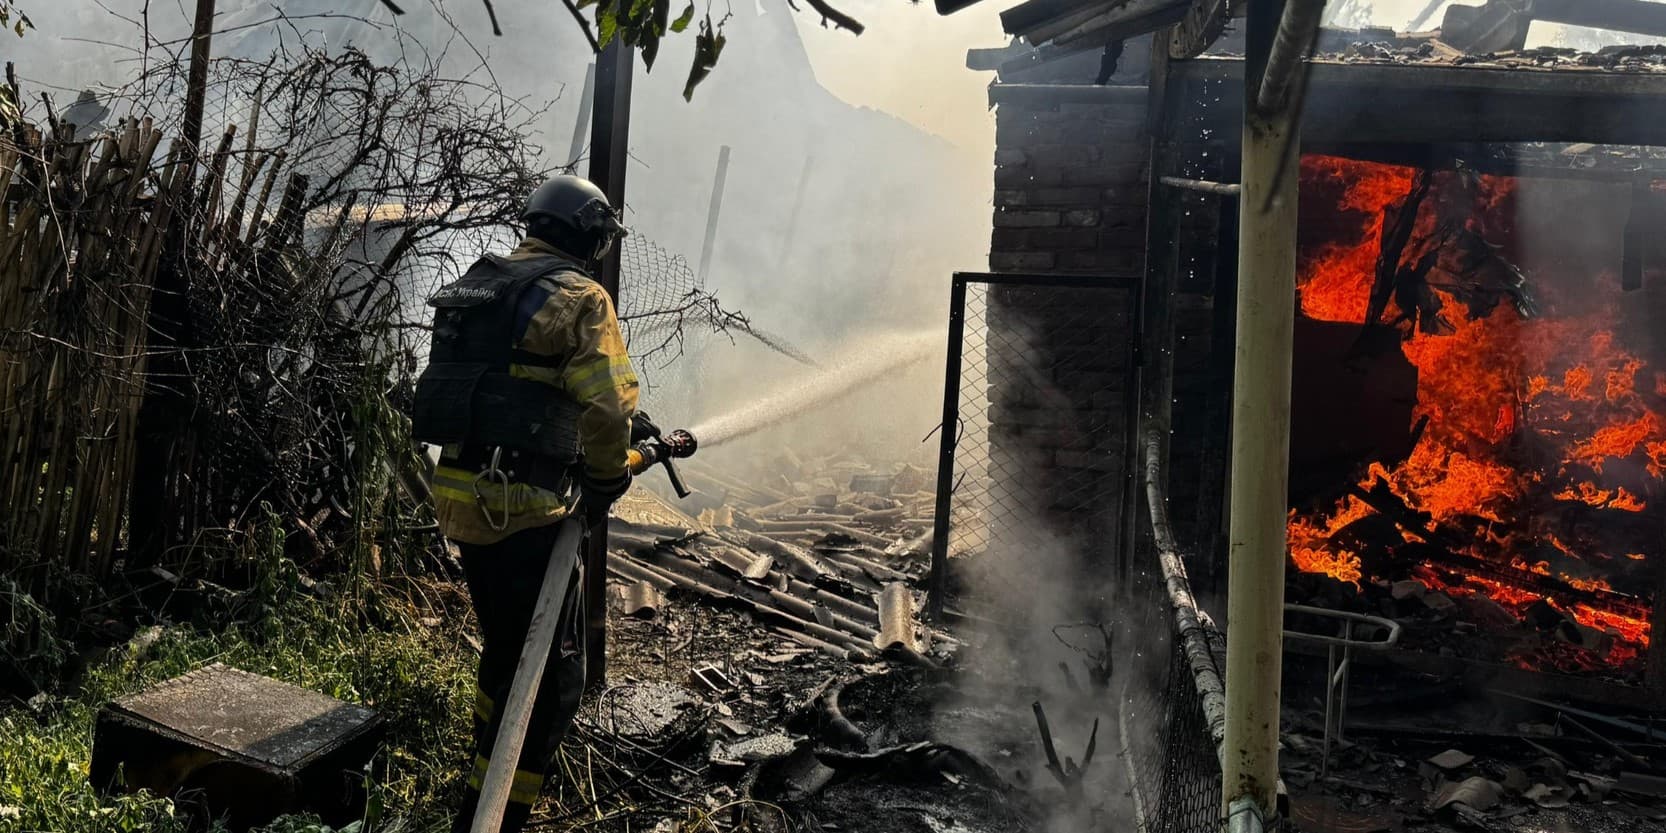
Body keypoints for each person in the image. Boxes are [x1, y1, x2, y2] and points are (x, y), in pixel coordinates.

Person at [411, 174, 693, 833]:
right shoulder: (580, 296)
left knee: (507, 648)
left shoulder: (481, 284)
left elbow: (517, 383)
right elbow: (606, 405)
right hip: (527, 512)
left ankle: (481, 775)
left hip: (463, 502)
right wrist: (603, 481)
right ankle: (501, 812)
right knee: (556, 684)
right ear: (588, 239)